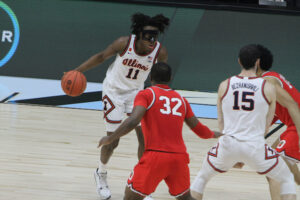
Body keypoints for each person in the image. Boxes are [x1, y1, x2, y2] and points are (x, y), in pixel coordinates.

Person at [73, 13, 169, 199]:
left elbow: (159, 77)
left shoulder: (160, 52)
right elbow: (101, 57)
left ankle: (142, 184)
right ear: (139, 35)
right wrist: (77, 71)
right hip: (113, 91)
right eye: (148, 37)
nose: (152, 40)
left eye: (154, 37)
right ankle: (101, 173)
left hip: (136, 93)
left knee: (146, 140)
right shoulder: (124, 43)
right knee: (113, 141)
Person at [98, 62, 222, 200]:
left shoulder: (146, 95)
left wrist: (111, 138)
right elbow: (199, 130)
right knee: (186, 198)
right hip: (179, 159)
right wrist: (213, 133)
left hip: (155, 157)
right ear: (170, 79)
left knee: (130, 197)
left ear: (150, 77)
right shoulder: (181, 100)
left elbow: (133, 120)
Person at [190, 44, 297, 200]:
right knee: (284, 174)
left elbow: (222, 125)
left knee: (201, 179)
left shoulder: (228, 84)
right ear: (258, 62)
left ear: (239, 61)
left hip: (232, 142)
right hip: (266, 138)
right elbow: (266, 122)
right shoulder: (266, 85)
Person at [256, 44, 300, 200]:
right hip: (292, 126)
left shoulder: (268, 81)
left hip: (297, 125)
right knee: (272, 164)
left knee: (273, 166)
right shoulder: (266, 80)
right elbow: (273, 113)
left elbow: (292, 105)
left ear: (256, 63)